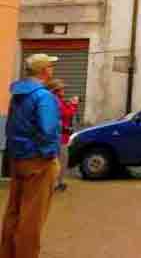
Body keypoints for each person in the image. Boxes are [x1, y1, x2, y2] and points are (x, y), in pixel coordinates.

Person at [2, 54, 61, 258]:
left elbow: (10, 126)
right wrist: (48, 156)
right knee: (32, 218)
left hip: (18, 159)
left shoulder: (17, 94)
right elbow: (48, 129)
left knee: (14, 212)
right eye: (51, 66)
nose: (52, 70)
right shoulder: (44, 96)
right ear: (44, 71)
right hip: (38, 162)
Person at [45, 80, 78, 192]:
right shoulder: (55, 101)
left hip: (62, 136)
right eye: (62, 89)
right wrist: (73, 104)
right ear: (56, 90)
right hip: (59, 136)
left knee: (61, 161)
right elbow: (66, 113)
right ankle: (56, 184)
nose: (64, 91)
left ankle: (57, 183)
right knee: (61, 161)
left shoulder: (57, 100)